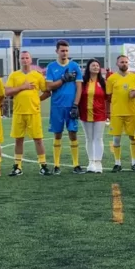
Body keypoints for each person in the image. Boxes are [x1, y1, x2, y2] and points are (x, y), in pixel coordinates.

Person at [6, 50, 50, 176]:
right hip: (18, 112)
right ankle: (17, 167)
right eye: (22, 58)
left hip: (33, 112)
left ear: (31, 60)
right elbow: (7, 92)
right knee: (18, 140)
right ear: (19, 60)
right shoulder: (14, 76)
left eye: (27, 58)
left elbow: (47, 92)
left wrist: (37, 100)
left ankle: (43, 166)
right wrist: (22, 87)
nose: (25, 60)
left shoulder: (37, 76)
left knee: (38, 139)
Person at [45, 40, 84, 174]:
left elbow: (79, 87)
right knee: (57, 134)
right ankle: (56, 165)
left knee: (73, 134)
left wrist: (76, 105)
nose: (65, 53)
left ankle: (76, 165)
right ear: (57, 51)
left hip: (71, 106)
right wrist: (63, 79)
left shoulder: (75, 66)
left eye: (66, 50)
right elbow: (48, 87)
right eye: (62, 50)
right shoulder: (51, 67)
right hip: (57, 106)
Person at [106, 55, 135, 172]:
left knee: (133, 138)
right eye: (121, 62)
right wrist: (108, 112)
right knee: (116, 139)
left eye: (125, 62)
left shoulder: (134, 78)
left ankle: (134, 163)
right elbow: (108, 97)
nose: (124, 64)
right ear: (117, 64)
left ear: (128, 63)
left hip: (132, 112)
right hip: (117, 113)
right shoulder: (111, 79)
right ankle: (117, 163)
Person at [79, 59, 108, 173]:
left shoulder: (103, 82)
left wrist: (108, 112)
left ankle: (98, 163)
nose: (95, 67)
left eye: (97, 65)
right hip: (85, 113)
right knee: (89, 138)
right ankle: (91, 162)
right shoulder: (83, 82)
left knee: (98, 138)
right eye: (93, 65)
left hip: (100, 114)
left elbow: (108, 98)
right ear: (88, 68)